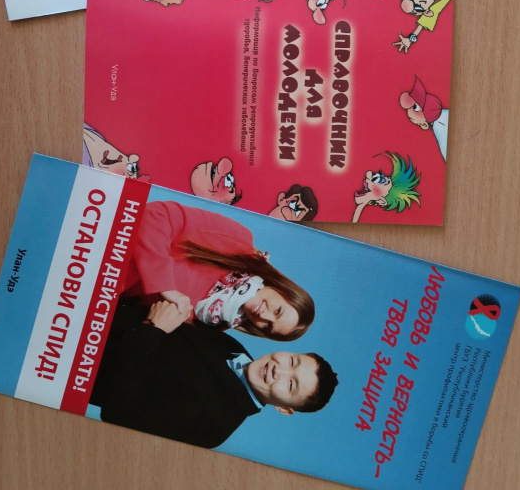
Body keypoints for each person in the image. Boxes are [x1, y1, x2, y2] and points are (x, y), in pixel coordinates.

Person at [90, 299, 338, 448]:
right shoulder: (235, 349)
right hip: (96, 305)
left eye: (291, 385)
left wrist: (153, 331)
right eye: (292, 361)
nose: (279, 370)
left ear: (284, 408)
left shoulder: (215, 428)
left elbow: (120, 413)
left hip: (78, 353)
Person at [122, 199, 316, 341]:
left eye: (268, 326)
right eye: (278, 310)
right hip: (113, 239)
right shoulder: (240, 243)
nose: (264, 316)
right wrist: (164, 286)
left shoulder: (209, 323)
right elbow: (156, 214)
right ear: (281, 288)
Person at [363, 0, 453, 53]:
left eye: (418, 7)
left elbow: (427, 20)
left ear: (427, 12)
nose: (411, 3)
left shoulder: (438, 3)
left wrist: (410, 39)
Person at [352, 152, 421, 222]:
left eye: (382, 181)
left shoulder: (367, 197)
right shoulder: (369, 189)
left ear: (382, 201)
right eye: (380, 177)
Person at [399, 76, 449, 160]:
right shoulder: (443, 116)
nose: (410, 118)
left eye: (415, 107)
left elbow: (446, 152)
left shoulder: (439, 126)